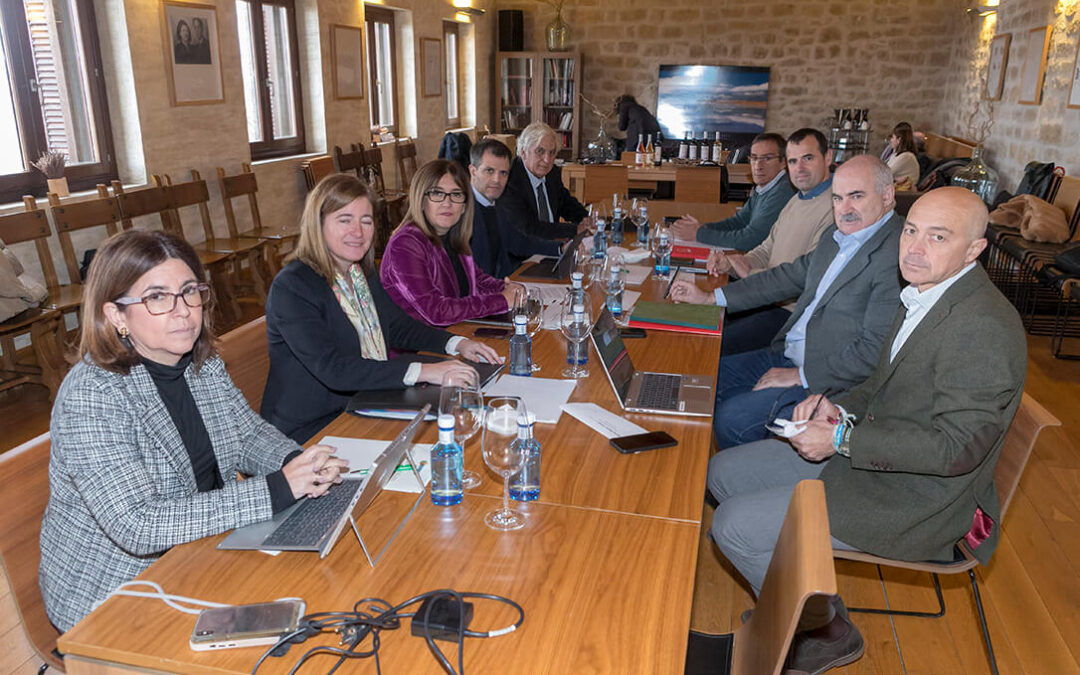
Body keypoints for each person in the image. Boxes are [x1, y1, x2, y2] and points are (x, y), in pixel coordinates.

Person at [707, 187, 1026, 674]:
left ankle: (824, 630)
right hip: (879, 454)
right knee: (723, 471)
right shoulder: (924, 291)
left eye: (938, 237)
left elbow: (957, 449)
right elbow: (880, 383)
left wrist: (841, 439)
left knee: (732, 526)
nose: (914, 248)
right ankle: (799, 594)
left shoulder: (983, 328)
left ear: (974, 250)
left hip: (920, 499)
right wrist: (836, 407)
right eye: (912, 231)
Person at [39, 230, 349, 631]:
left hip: (199, 547)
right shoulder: (93, 394)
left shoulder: (200, 362)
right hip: (116, 592)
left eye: (189, 291)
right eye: (157, 297)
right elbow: (136, 524)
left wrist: (297, 461)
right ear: (116, 314)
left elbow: (247, 434)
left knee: (327, 594)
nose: (183, 310)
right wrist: (277, 488)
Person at [670, 155, 902, 448]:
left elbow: (873, 352)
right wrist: (710, 298)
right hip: (788, 354)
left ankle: (743, 482)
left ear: (888, 195)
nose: (844, 209)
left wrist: (800, 375)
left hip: (829, 380)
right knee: (702, 377)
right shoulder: (836, 236)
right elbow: (785, 278)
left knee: (731, 418)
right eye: (837, 198)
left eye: (856, 196)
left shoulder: (897, 257)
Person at [261, 174, 500, 443]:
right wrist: (425, 371)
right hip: (310, 429)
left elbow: (397, 326)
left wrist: (456, 344)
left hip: (363, 402)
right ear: (318, 225)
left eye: (366, 221)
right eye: (345, 220)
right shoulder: (294, 286)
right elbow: (333, 369)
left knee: (456, 426)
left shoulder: (360, 273)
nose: (358, 232)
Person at [699, 128, 837, 355]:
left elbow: (806, 280)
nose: (799, 168)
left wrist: (749, 274)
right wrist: (734, 262)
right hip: (765, 298)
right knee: (700, 322)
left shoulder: (835, 208)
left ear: (828, 157)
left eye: (808, 159)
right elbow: (767, 247)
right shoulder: (797, 200)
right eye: (793, 161)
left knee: (707, 345)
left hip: (790, 314)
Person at [380, 159, 521, 326]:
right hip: (420, 348)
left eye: (456, 194)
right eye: (437, 193)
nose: (447, 203)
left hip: (458, 333)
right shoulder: (406, 244)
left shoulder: (452, 238)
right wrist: (502, 300)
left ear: (463, 206)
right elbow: (435, 310)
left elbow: (478, 281)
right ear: (421, 200)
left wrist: (510, 289)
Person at [670, 132, 795, 249]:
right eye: (754, 158)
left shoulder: (783, 190)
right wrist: (701, 228)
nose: (758, 166)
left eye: (767, 158)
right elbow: (738, 222)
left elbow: (751, 239)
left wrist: (699, 234)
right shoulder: (765, 186)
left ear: (783, 162)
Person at [468, 138, 563, 278]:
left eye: (503, 173)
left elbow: (518, 242)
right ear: (473, 171)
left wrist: (561, 248)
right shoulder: (461, 211)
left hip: (505, 284)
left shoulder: (496, 202)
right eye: (489, 171)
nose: (496, 180)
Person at [498, 122, 587, 240]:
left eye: (552, 153)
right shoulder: (510, 179)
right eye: (540, 151)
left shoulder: (552, 173)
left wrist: (585, 218)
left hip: (553, 245)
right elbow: (529, 228)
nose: (547, 160)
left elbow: (565, 203)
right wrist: (574, 229)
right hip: (526, 253)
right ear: (524, 153)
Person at [886, 123, 920, 190]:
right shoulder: (898, 155)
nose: (891, 140)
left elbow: (886, 173)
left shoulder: (906, 157)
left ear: (899, 140)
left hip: (903, 193)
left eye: (892, 137)